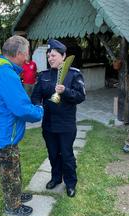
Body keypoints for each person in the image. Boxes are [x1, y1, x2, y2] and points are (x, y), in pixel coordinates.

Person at [0, 35, 44, 216]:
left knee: (14, 167)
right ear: (18, 53)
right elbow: (21, 108)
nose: (27, 59)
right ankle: (13, 206)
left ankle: (16, 195)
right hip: (2, 134)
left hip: (1, 131)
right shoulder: (6, 74)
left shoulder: (2, 70)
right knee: (9, 172)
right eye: (26, 54)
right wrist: (40, 111)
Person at [31, 39, 86, 197]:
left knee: (66, 154)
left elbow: (81, 96)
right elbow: (35, 97)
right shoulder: (44, 76)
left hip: (66, 124)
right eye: (49, 56)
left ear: (63, 56)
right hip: (48, 124)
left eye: (54, 55)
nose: (50, 58)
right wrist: (38, 107)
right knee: (53, 154)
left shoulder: (74, 74)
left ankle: (70, 183)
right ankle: (56, 178)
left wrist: (66, 91)